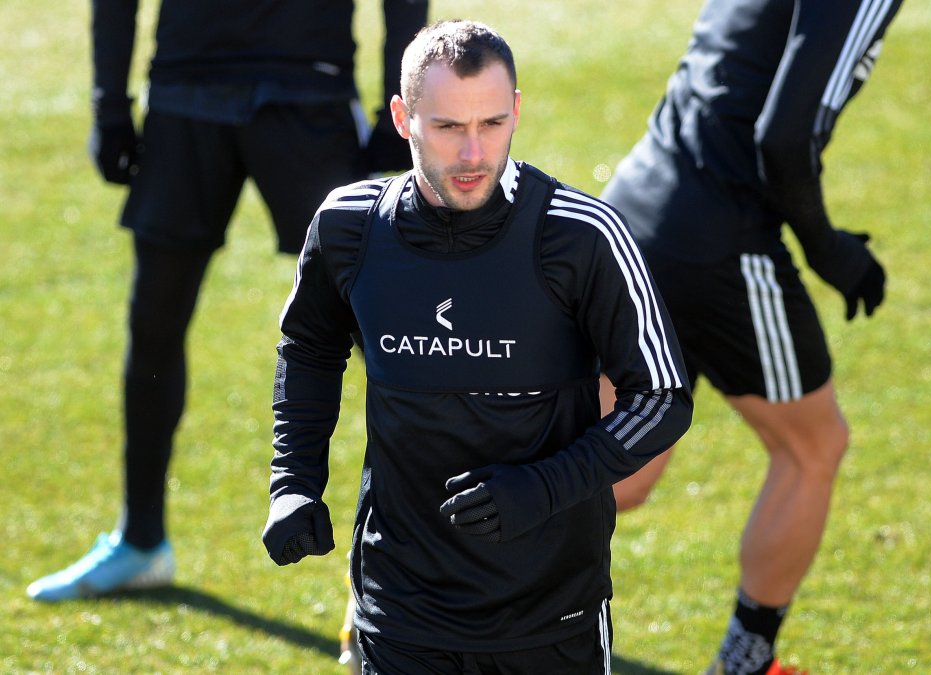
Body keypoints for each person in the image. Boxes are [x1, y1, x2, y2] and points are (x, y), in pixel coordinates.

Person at [261, 20, 692, 673]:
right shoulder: (350, 229)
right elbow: (310, 348)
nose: (473, 153)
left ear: (516, 109)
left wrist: (544, 486)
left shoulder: (580, 237)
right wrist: (294, 481)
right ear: (404, 118)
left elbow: (662, 397)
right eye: (448, 128)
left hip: (551, 622)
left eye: (491, 124)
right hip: (399, 614)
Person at [25, 0, 429, 603]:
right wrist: (108, 101)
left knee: (383, 327)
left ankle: (435, 552)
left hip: (308, 90)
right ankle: (140, 542)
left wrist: (397, 111)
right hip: (185, 90)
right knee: (154, 323)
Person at [599, 0, 905, 672]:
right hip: (722, 238)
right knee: (813, 444)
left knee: (614, 476)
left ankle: (407, 579)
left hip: (636, 208)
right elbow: (783, 138)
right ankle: (745, 661)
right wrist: (830, 251)